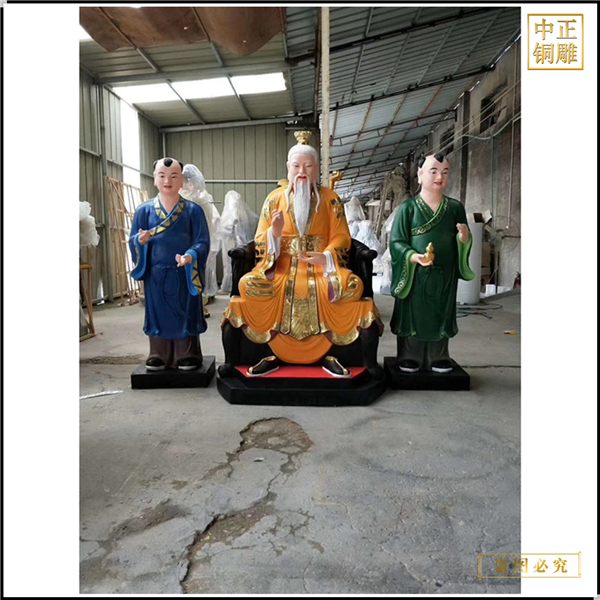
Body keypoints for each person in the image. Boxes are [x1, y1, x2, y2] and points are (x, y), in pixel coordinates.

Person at [221, 131, 383, 378]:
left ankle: (337, 355)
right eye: (296, 166)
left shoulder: (330, 199)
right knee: (247, 285)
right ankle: (264, 354)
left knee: (352, 286)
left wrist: (326, 257)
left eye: (308, 166)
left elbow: (342, 236)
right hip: (281, 268)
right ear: (288, 168)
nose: (302, 171)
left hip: (321, 270)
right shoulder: (274, 199)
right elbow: (260, 238)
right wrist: (275, 233)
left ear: (317, 168)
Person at [389, 153, 475, 373]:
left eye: (445, 172)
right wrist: (413, 256)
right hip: (415, 273)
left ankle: (439, 355)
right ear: (420, 174)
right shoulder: (408, 208)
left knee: (440, 313)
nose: (439, 177)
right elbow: (396, 242)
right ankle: (409, 355)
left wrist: (464, 237)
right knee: (413, 313)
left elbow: (463, 240)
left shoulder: (455, 208)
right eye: (433, 171)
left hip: (444, 272)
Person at [129, 157, 210, 371]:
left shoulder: (193, 211)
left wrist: (191, 255)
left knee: (185, 312)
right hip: (156, 274)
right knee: (158, 313)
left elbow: (202, 241)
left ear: (181, 180)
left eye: (174, 176)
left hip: (184, 272)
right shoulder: (144, 211)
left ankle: (187, 353)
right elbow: (132, 239)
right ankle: (158, 353)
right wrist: (140, 241)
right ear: (154, 179)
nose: (167, 181)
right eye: (162, 176)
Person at [180, 164, 222, 309]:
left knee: (195, 269)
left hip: (195, 239)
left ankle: (196, 299)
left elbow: (210, 220)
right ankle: (197, 297)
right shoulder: (203, 197)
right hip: (200, 239)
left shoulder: (194, 198)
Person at [219, 190, 259, 294]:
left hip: (233, 241)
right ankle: (231, 286)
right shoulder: (236, 212)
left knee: (230, 264)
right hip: (233, 241)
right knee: (230, 265)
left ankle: (232, 286)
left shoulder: (231, 213)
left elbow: (230, 227)